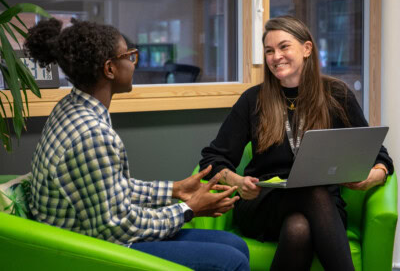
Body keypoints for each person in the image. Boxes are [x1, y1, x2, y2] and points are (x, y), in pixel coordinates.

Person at [25, 18, 250, 271]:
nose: (135, 63)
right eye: (129, 56)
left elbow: (110, 189)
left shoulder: (71, 107)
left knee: (235, 244)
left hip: (93, 233)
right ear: (110, 69)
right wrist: (189, 209)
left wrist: (175, 190)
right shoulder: (94, 135)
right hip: (90, 251)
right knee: (233, 261)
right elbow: (118, 228)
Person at [199, 15, 394, 271]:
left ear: (306, 49)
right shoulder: (253, 100)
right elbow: (212, 158)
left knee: (298, 229)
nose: (275, 56)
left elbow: (379, 155)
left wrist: (373, 177)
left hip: (324, 205)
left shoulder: (337, 95)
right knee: (313, 193)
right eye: (269, 51)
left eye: (283, 47)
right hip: (264, 204)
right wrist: (236, 182)